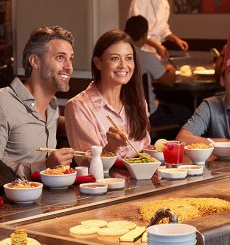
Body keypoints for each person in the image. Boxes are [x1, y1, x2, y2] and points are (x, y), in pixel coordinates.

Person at [0, 25, 75, 180]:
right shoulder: (3, 103)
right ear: (35, 61)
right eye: (60, 57)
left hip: (47, 200)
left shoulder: (53, 107)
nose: (69, 67)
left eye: (71, 58)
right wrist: (44, 166)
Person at [64, 30, 150, 158]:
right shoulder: (78, 107)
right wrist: (111, 147)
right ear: (98, 63)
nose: (123, 65)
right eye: (115, 58)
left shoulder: (139, 102)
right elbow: (87, 164)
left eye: (129, 58)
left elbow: (146, 149)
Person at [124, 15, 192, 128]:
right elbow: (169, 81)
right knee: (186, 112)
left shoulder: (119, 54)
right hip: (149, 114)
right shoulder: (147, 56)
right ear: (145, 36)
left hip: (126, 111)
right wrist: (171, 69)